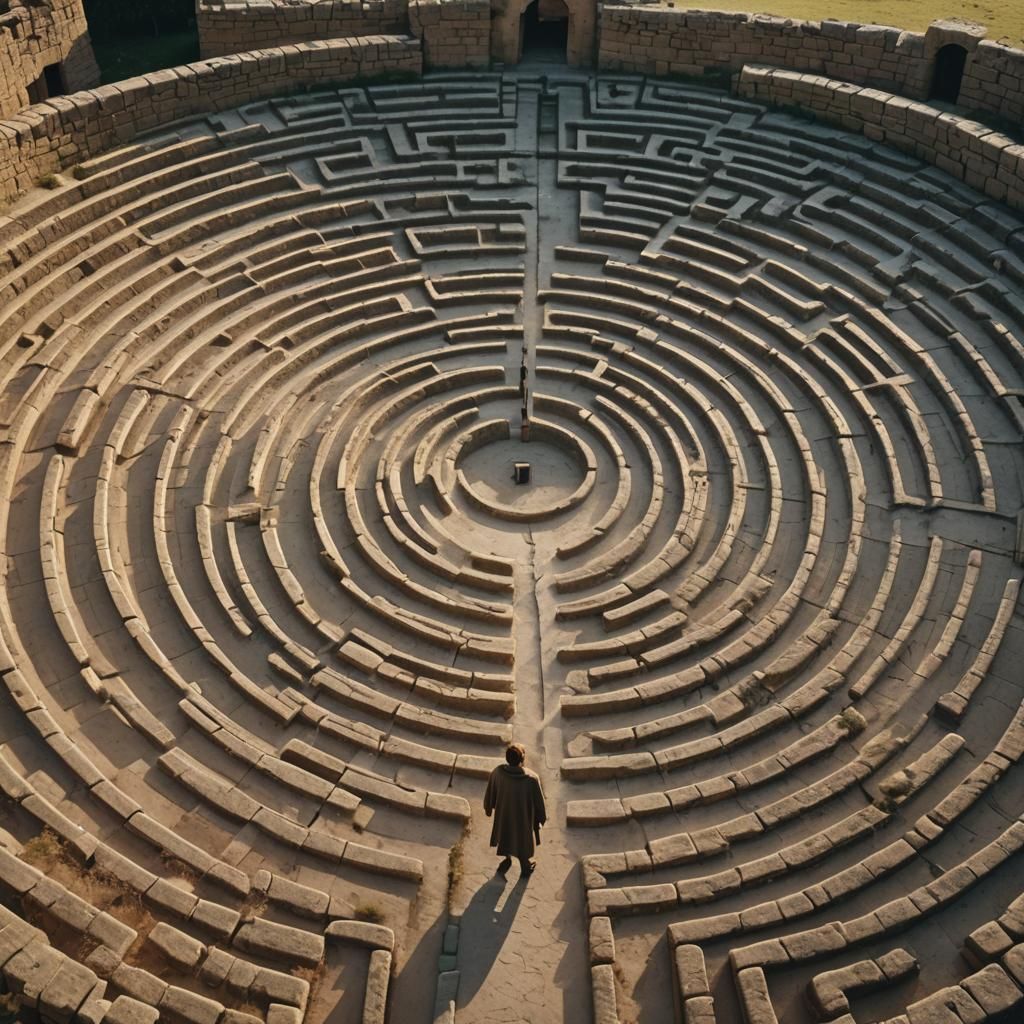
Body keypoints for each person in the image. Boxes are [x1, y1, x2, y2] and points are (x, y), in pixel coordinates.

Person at [483, 742, 546, 876]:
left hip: (504, 814)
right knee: (522, 840)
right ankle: (525, 865)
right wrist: (541, 819)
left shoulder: (498, 772)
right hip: (523, 817)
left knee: (505, 835)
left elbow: (490, 791)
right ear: (522, 759)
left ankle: (507, 859)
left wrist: (488, 807)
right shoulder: (531, 778)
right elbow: (539, 803)